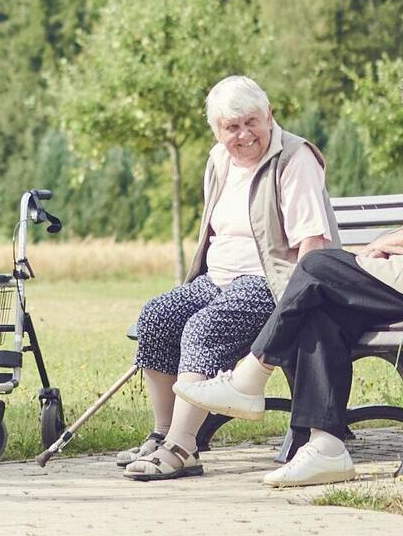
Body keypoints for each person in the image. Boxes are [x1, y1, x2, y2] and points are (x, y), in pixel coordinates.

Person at [176, 56, 403, 488]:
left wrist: (378, 246)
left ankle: (251, 376)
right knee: (321, 312)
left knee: (319, 264)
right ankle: (326, 447)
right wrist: (381, 251)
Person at [117, 75, 337, 482]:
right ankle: (163, 433)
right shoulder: (218, 160)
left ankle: (183, 448)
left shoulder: (294, 159)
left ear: (270, 115)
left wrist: (296, 307)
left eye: (251, 121)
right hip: (216, 278)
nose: (243, 134)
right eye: (231, 127)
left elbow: (314, 244)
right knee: (157, 317)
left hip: (271, 283)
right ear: (217, 131)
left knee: (203, 329)